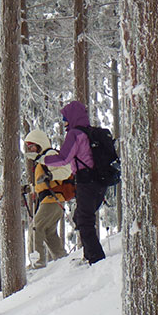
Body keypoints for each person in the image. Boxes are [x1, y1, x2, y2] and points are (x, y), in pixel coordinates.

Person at [43, 101, 106, 265]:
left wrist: (43, 159)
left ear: (71, 118)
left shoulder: (75, 134)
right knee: (80, 216)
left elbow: (64, 158)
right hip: (99, 182)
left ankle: (96, 259)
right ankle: (89, 255)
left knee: (84, 220)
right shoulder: (90, 132)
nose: (64, 122)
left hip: (86, 182)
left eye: (65, 118)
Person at [23, 129, 71, 269]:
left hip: (52, 200)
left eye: (32, 146)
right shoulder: (43, 159)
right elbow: (41, 182)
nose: (31, 149)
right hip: (52, 200)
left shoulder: (50, 155)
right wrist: (28, 189)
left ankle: (37, 263)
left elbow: (66, 171)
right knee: (49, 232)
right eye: (29, 147)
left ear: (40, 143)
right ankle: (62, 260)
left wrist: (50, 176)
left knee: (35, 228)